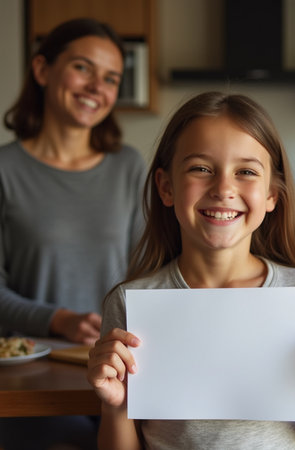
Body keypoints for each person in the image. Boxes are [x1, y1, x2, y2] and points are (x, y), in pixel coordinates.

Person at [87, 92, 295, 450]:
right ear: (166, 186)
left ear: (271, 196)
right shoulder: (129, 302)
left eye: (246, 172)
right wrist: (115, 407)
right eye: (201, 169)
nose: (223, 189)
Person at [0, 17, 146, 450]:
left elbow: (148, 271)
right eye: (83, 68)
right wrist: (58, 319)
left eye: (111, 78)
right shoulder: (4, 170)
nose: (96, 87)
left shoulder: (129, 167)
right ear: (43, 71)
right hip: (32, 374)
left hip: (125, 369)